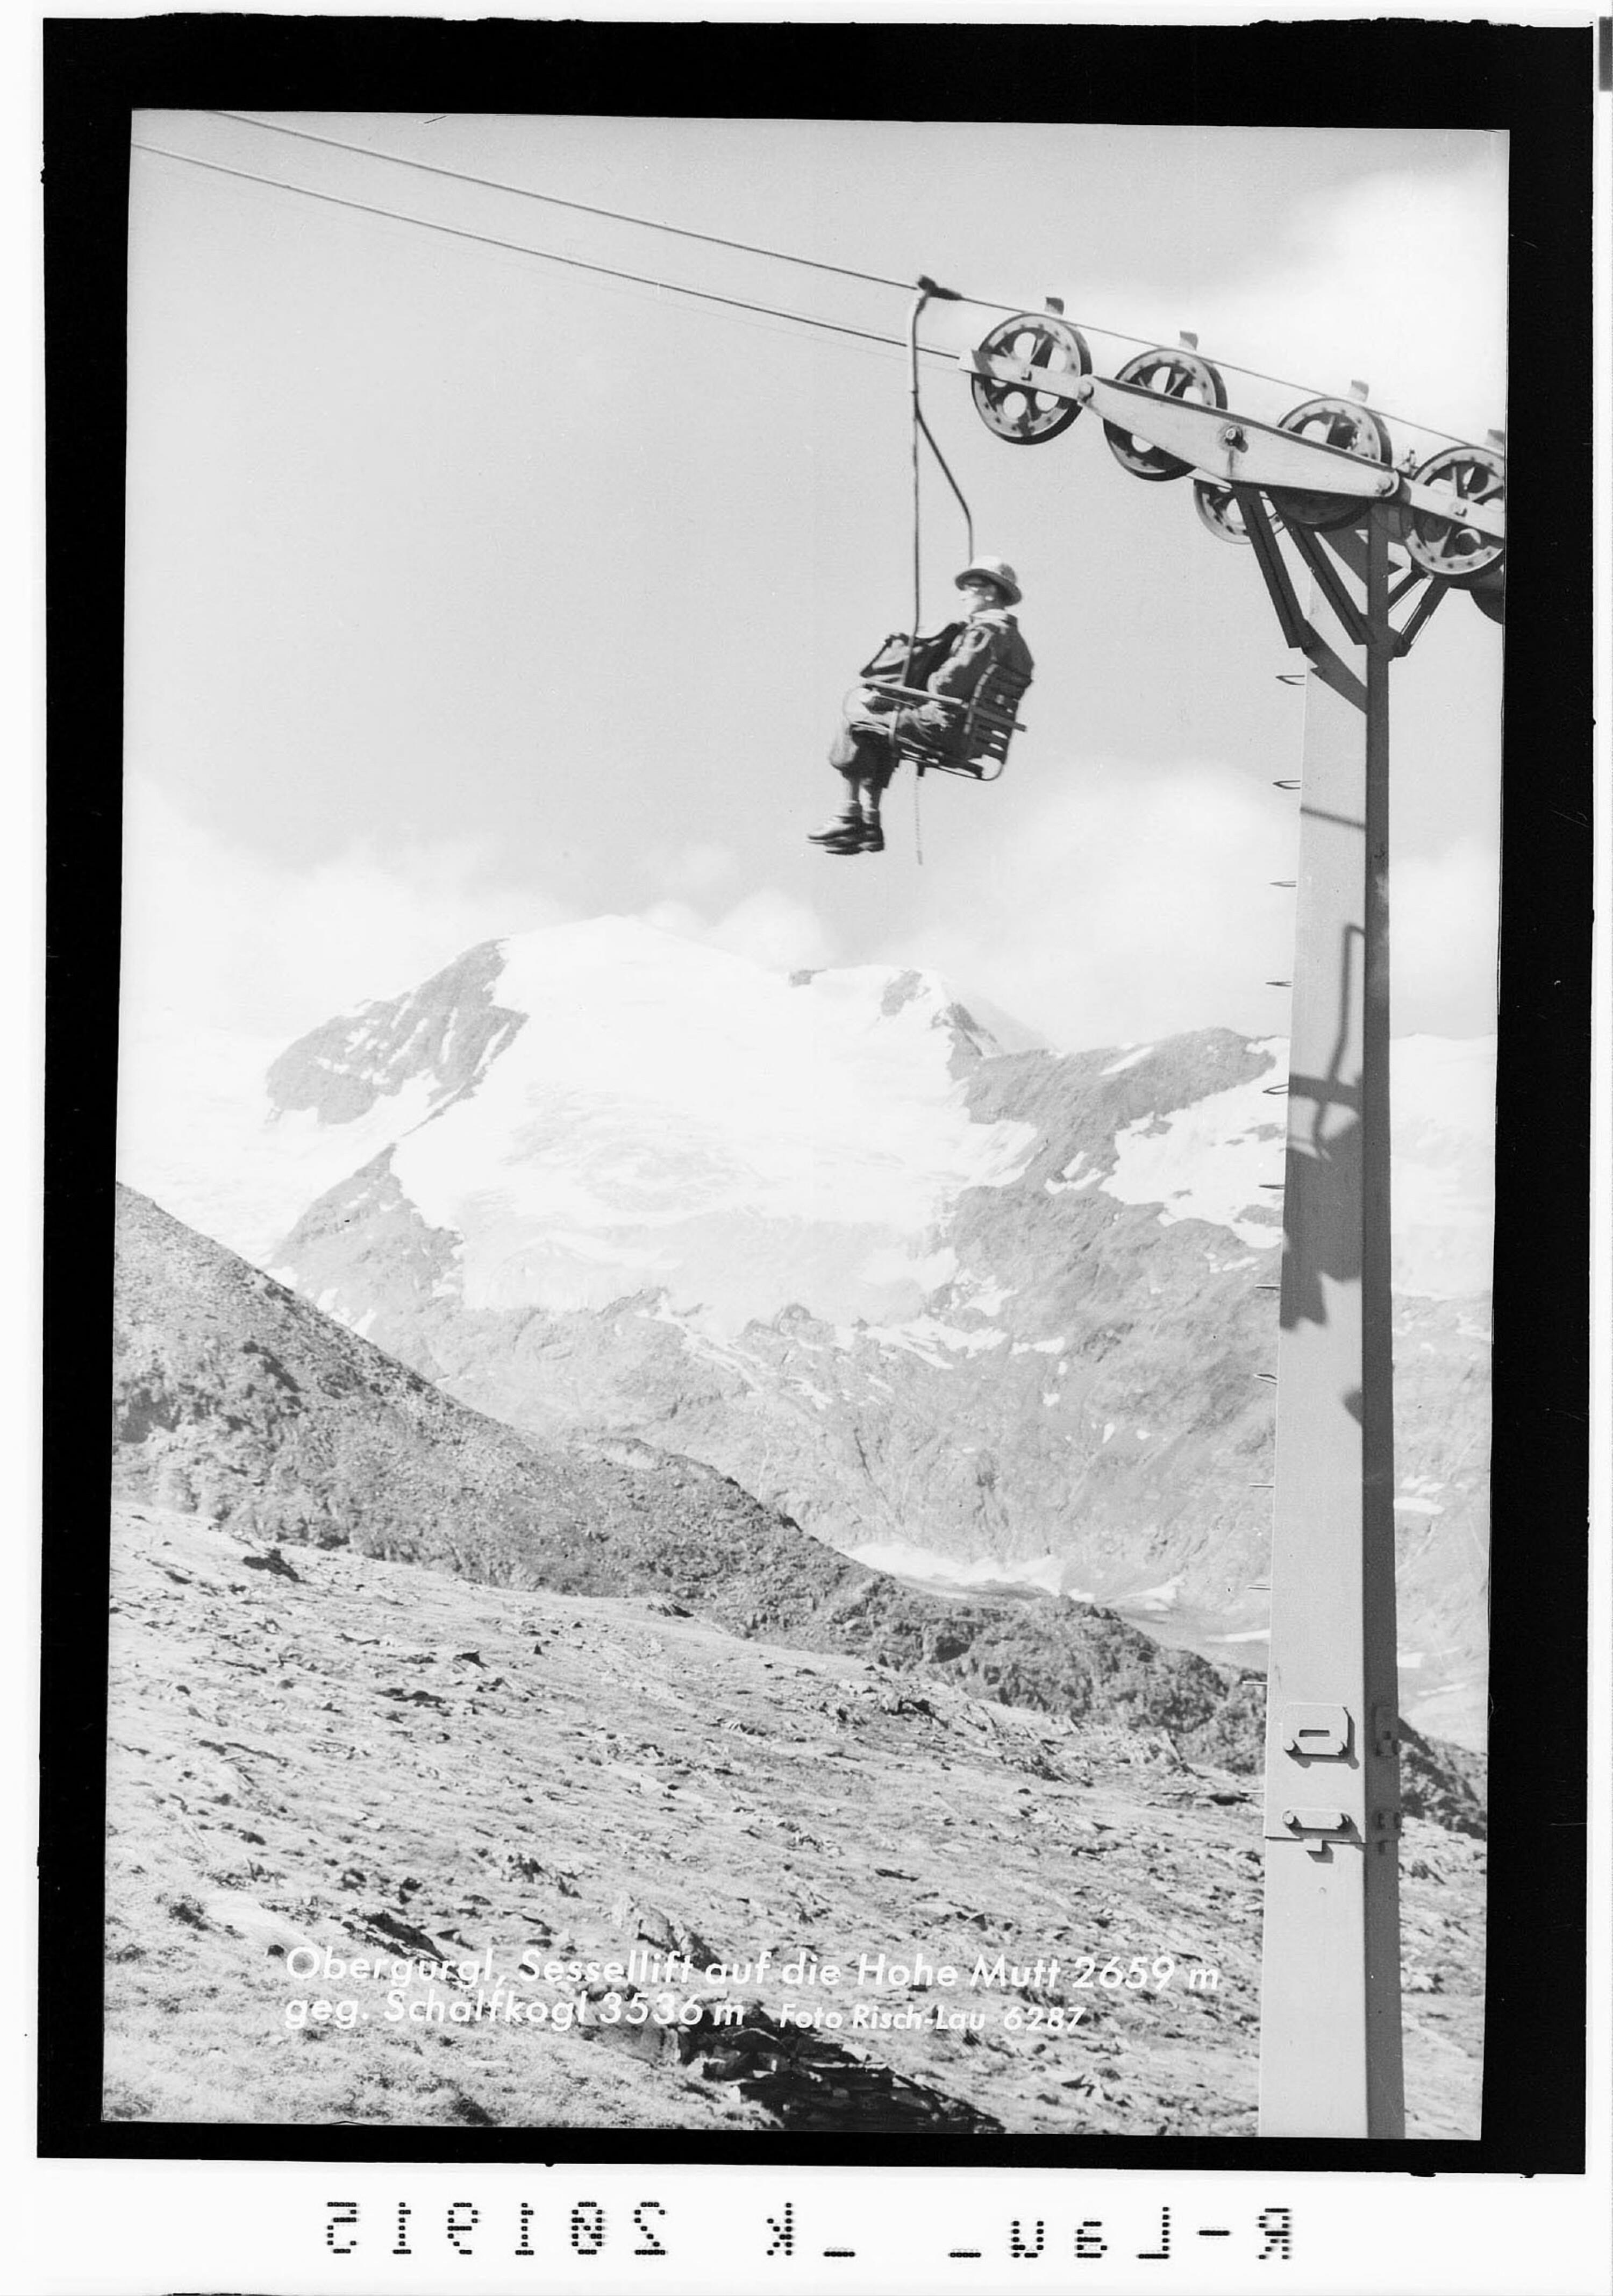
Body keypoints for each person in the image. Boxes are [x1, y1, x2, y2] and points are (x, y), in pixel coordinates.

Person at [809, 556, 1034, 856]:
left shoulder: (986, 632)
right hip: (972, 736)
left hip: (945, 729)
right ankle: (869, 822)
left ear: (992, 592)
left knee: (857, 714)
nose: (962, 594)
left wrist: (932, 667)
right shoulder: (1018, 644)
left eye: (971, 587)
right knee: (881, 725)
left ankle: (849, 814)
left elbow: (947, 686)